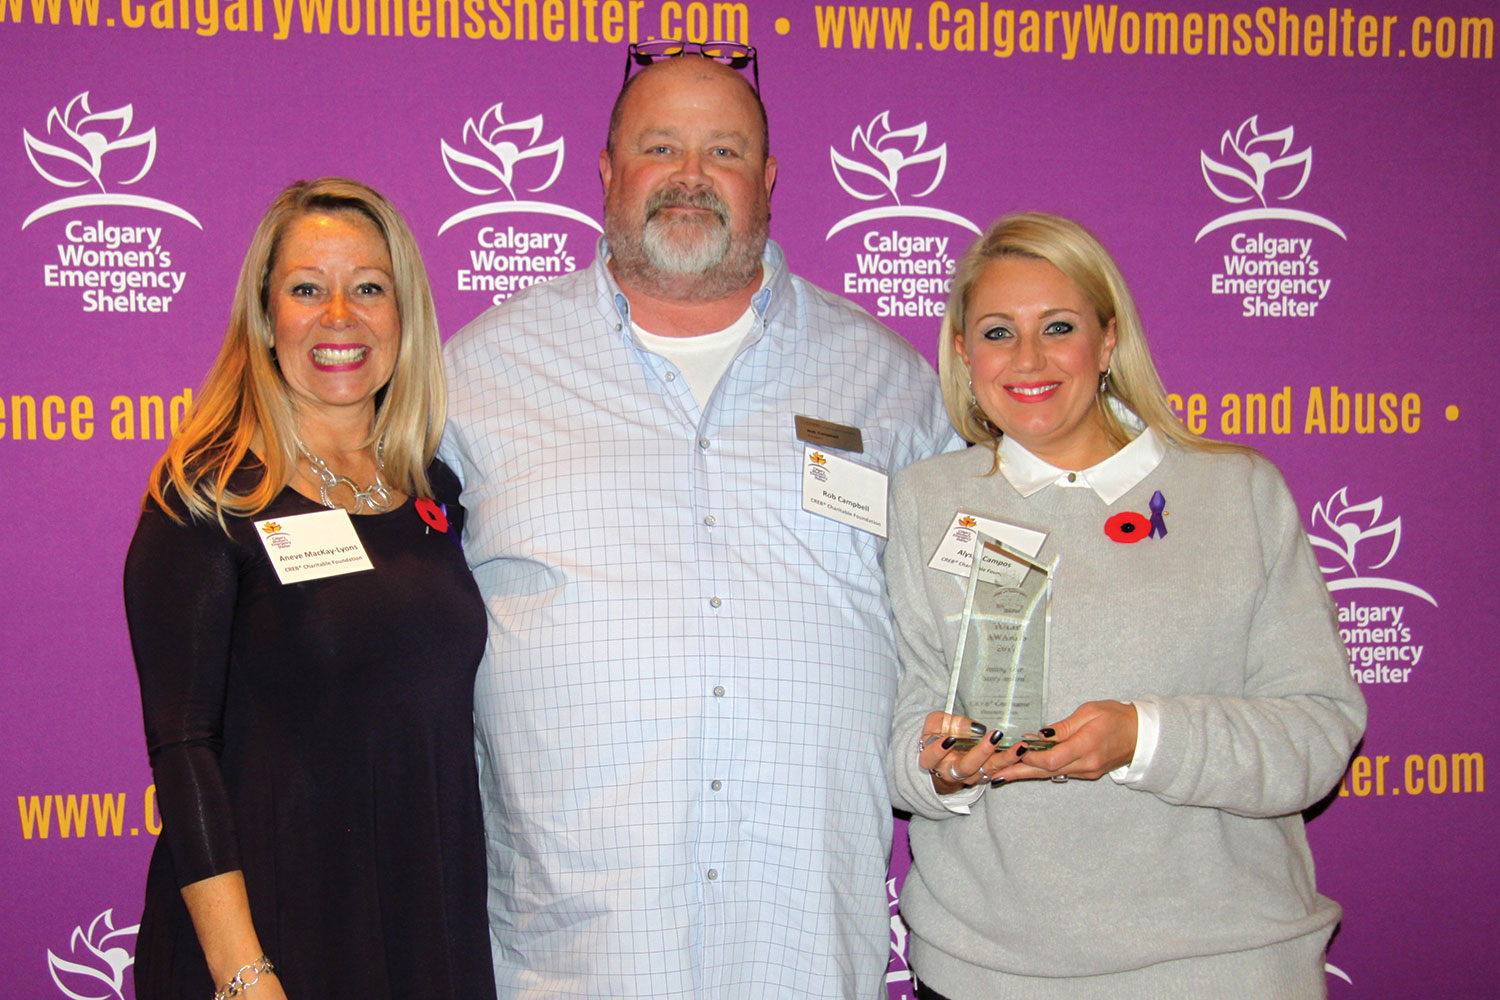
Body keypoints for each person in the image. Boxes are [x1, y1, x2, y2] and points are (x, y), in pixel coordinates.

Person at [440, 44, 957, 999]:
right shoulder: (474, 379)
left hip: (805, 945)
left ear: (767, 181)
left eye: (723, 151)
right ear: (606, 175)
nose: (690, 176)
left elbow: (962, 633)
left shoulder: (892, 387)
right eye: (659, 147)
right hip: (572, 959)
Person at [886, 212, 1366, 999]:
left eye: (1060, 327)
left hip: (1224, 969)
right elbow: (906, 726)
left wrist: (1143, 738)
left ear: (1108, 341)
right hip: (987, 975)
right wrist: (941, 767)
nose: (1029, 359)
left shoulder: (1236, 492)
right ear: (965, 356)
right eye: (999, 332)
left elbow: (1316, 731)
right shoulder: (925, 500)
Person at [123, 178, 496, 1000]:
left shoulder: (433, 491)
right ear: (265, 317)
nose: (339, 317)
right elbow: (184, 749)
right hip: (274, 934)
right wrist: (244, 974)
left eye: (368, 288)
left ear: (403, 317)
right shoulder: (208, 497)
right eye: (305, 289)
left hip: (423, 914)